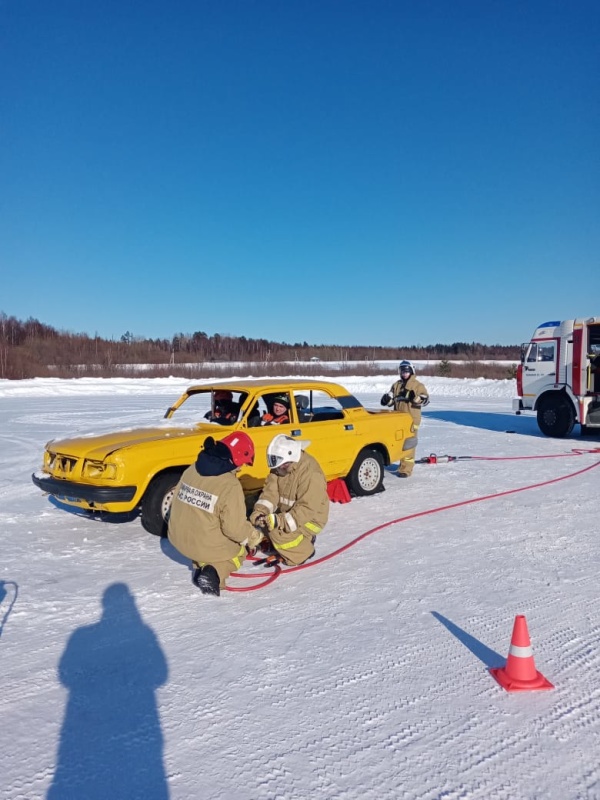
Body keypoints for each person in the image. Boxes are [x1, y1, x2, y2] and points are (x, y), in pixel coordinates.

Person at [167, 432, 263, 596]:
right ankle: (214, 572)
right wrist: (253, 537)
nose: (241, 468)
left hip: (176, 538)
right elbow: (234, 528)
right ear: (238, 458)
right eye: (243, 464)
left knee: (210, 530)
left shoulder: (193, 468)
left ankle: (201, 564)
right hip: (201, 544)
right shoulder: (229, 484)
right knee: (239, 551)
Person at [249, 434, 329, 565]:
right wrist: (260, 512)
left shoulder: (311, 474)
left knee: (277, 533)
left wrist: (279, 522)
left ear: (291, 457)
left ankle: (303, 551)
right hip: (287, 514)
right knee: (259, 523)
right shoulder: (281, 467)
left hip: (310, 520)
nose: (278, 470)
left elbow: (306, 509)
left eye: (282, 466)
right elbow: (270, 494)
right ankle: (273, 542)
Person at [381, 360, 429, 478]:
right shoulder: (396, 385)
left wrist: (415, 398)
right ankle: (400, 463)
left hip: (411, 419)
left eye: (407, 371)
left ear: (411, 371)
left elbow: (425, 400)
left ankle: (406, 469)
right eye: (402, 371)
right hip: (398, 419)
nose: (404, 374)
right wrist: (386, 400)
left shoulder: (418, 385)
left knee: (409, 444)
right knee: (398, 442)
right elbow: (392, 400)